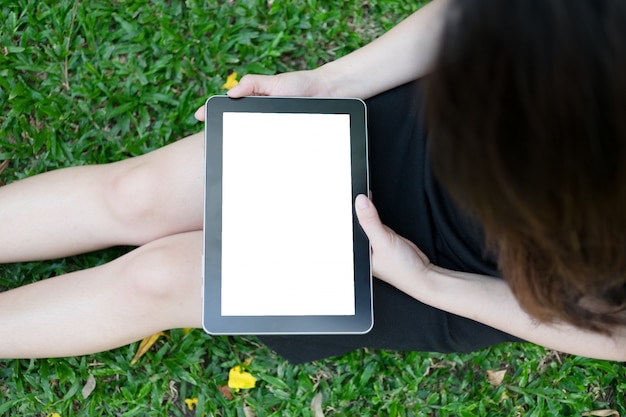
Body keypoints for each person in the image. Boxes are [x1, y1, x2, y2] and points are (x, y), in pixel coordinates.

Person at [1, 0, 624, 362]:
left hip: (463, 267)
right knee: (134, 195)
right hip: (436, 132)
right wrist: (329, 84)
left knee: (156, 279)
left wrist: (427, 281)